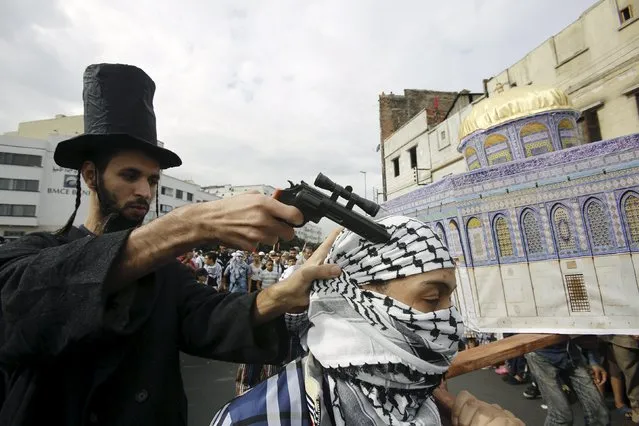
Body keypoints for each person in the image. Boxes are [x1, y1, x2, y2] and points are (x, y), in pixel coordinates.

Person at [0, 63, 342, 426]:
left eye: (152, 179)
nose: (144, 192)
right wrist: (192, 224)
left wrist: (285, 294)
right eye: (129, 176)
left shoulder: (166, 273)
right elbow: (20, 302)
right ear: (90, 175)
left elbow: (212, 321)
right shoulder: (35, 253)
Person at [211, 216, 524, 426]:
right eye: (432, 299)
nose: (451, 319)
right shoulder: (257, 417)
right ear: (358, 298)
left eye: (449, 299)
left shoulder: (434, 405)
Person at [524, 338, 609, 425]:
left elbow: (586, 329)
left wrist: (594, 361)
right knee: (561, 417)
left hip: (569, 351)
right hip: (539, 353)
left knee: (600, 414)